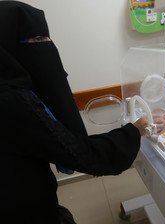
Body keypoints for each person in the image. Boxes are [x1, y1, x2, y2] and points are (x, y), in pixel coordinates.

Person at [0, 1, 149, 223]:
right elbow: (78, 152)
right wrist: (133, 132)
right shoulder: (10, 100)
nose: (48, 45)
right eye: (38, 39)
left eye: (47, 38)